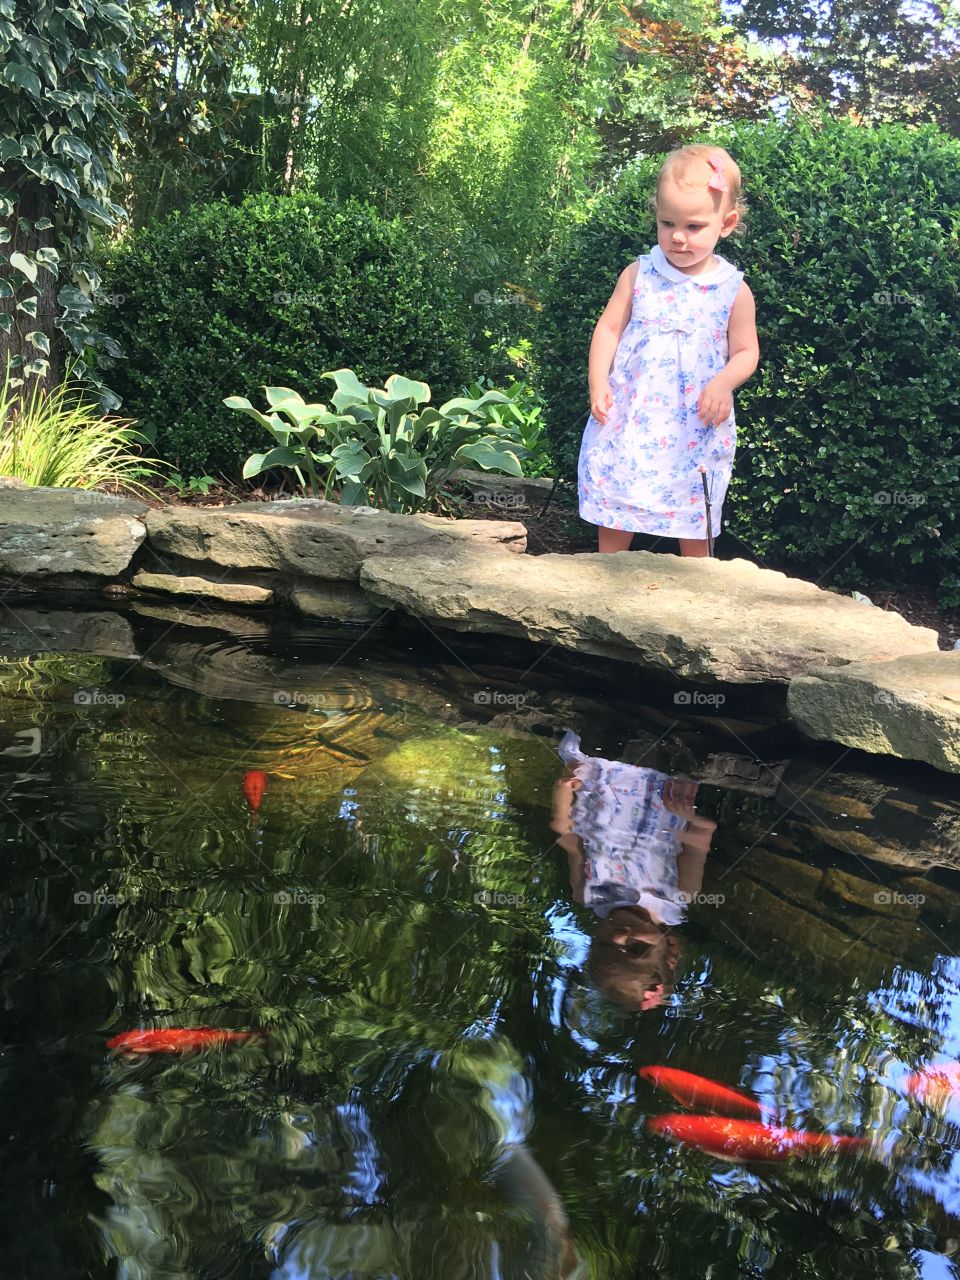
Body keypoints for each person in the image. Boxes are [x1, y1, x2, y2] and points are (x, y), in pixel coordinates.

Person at [578, 144, 760, 557]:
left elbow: (747, 351)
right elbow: (608, 328)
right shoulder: (639, 273)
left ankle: (696, 586)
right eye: (667, 223)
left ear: (726, 223)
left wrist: (724, 383)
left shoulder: (733, 289)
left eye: (695, 226)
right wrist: (597, 382)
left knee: (695, 503)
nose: (678, 237)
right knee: (619, 491)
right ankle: (607, 572)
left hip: (696, 419)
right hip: (633, 413)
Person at [550, 730, 718, 1012]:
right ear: (670, 950)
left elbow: (567, 837)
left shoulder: (586, 894)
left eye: (603, 944)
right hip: (661, 785)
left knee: (593, 735)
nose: (617, 937)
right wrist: (690, 817)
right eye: (637, 949)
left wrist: (564, 793)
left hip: (602, 776)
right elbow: (702, 834)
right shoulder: (678, 897)